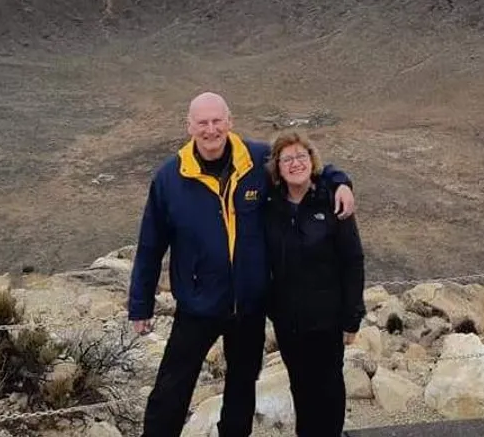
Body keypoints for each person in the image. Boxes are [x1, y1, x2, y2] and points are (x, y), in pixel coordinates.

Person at [127, 92, 357, 437]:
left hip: (250, 305)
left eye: (217, 121)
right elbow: (150, 244)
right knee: (172, 387)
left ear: (230, 122)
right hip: (198, 303)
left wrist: (340, 181)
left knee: (242, 389)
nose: (210, 130)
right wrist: (140, 304)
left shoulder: (258, 160)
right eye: (202, 123)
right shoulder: (169, 178)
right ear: (189, 126)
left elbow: (301, 166)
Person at [264, 131, 365, 437]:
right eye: (287, 159)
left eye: (301, 156)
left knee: (329, 388)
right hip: (288, 321)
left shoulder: (332, 201)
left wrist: (352, 317)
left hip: (327, 319)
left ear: (312, 160)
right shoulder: (270, 204)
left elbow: (353, 261)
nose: (295, 163)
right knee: (300, 386)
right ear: (278, 167)